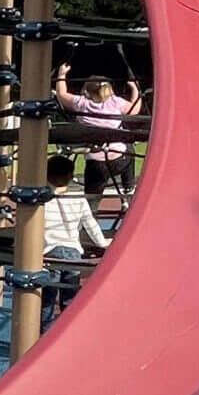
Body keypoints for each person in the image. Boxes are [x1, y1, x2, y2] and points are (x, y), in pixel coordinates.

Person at [55, 63, 143, 209]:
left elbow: (62, 94)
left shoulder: (81, 103)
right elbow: (135, 109)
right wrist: (135, 88)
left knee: (91, 202)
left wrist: (61, 75)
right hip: (119, 159)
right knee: (129, 149)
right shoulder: (116, 102)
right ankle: (129, 185)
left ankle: (90, 216)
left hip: (95, 163)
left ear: (86, 90)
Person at [41, 154, 111, 321]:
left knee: (47, 301)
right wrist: (102, 243)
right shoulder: (78, 199)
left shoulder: (42, 200)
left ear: (45, 175)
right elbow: (90, 223)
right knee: (70, 299)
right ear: (71, 177)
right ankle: (66, 332)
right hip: (73, 253)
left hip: (50, 252)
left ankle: (43, 337)